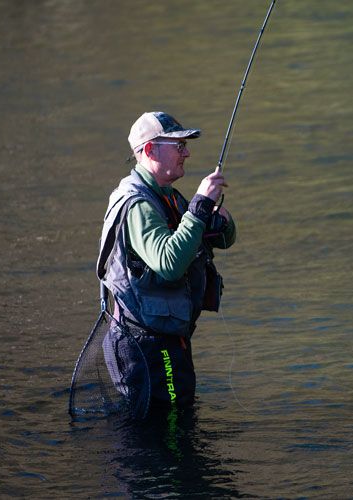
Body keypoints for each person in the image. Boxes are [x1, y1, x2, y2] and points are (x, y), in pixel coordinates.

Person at [96, 111, 236, 411]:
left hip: (166, 340)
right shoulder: (137, 204)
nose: (186, 152)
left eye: (185, 145)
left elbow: (224, 239)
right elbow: (169, 263)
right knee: (165, 434)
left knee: (177, 426)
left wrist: (217, 222)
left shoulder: (168, 196)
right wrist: (198, 208)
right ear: (149, 150)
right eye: (178, 145)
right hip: (145, 346)